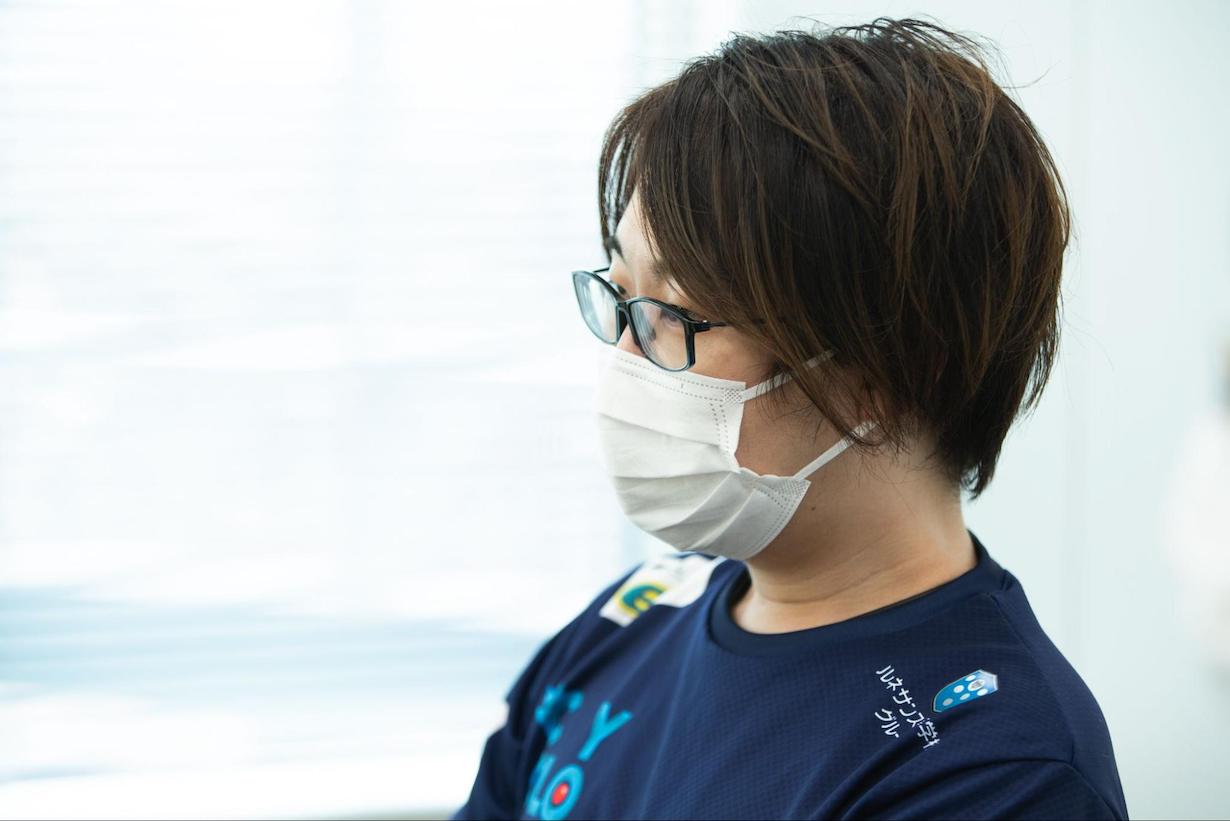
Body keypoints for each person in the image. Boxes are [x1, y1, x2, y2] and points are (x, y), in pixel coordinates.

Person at [453, 17, 1127, 820]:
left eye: (675, 312)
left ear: (887, 374)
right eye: (623, 293)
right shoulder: (632, 620)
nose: (626, 358)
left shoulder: (995, 770)